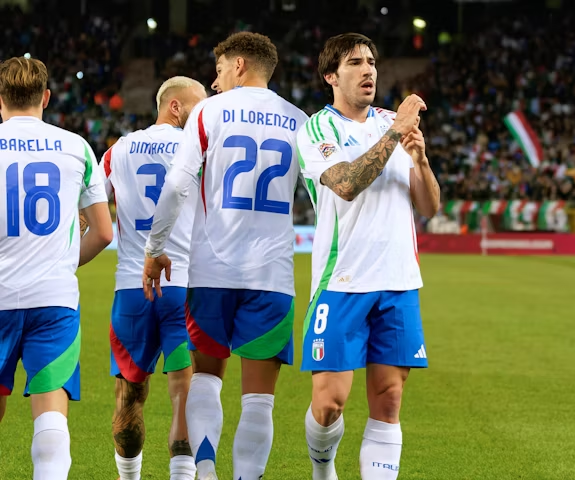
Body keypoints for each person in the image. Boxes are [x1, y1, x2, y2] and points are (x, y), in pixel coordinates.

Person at [142, 32, 309, 480]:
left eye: (217, 70)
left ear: (238, 65)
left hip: (211, 272)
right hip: (272, 277)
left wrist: (155, 250)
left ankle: (207, 468)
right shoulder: (299, 120)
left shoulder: (207, 113)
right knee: (259, 400)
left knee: (207, 378)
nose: (214, 82)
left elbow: (177, 185)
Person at [296, 33, 440, 480]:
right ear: (330, 76)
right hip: (343, 281)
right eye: (356, 62)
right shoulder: (319, 128)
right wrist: (396, 132)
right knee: (328, 403)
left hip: (398, 281)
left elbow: (430, 206)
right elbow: (345, 183)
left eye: (372, 61)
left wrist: (420, 161)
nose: (369, 70)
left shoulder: (391, 122)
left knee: (390, 398)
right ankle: (323, 469)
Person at [0, 56, 112, 479]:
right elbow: (102, 232)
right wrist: (63, 262)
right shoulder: (76, 147)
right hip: (54, 300)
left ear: (0, 100)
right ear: (46, 97)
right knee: (51, 421)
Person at [101, 76, 207, 480]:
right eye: (198, 107)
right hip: (182, 285)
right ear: (175, 106)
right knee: (185, 393)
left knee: (129, 394)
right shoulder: (197, 149)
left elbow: (87, 207)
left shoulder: (117, 151)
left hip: (131, 288)